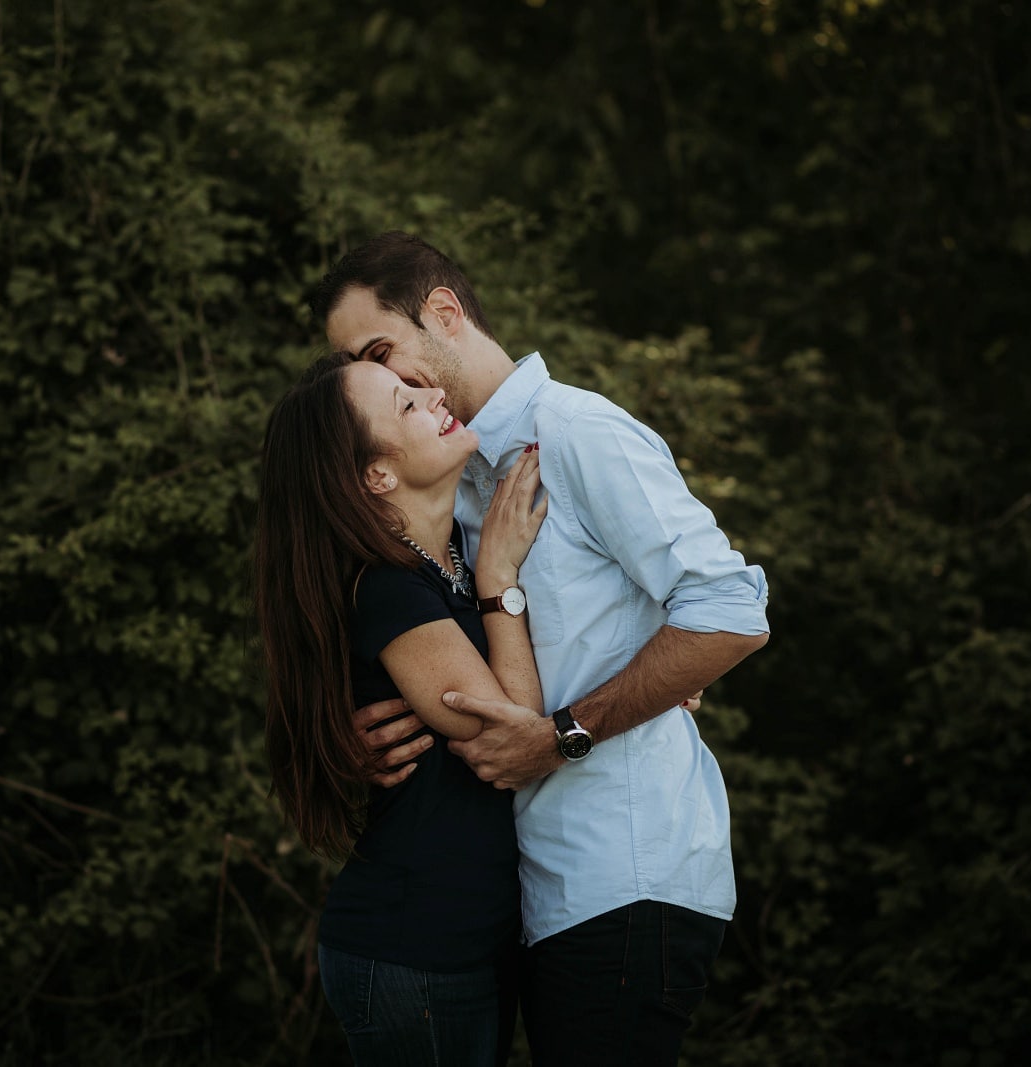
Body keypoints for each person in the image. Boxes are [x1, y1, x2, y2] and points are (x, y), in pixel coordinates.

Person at [314, 232, 771, 1065]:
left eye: (382, 353)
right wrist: (341, 735)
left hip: (622, 872)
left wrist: (570, 727)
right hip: (529, 896)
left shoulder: (577, 433)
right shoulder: (450, 485)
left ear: (444, 314)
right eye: (362, 369)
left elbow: (730, 610)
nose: (384, 383)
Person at [254, 350, 550, 1066]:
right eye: (406, 403)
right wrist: (499, 580)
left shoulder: (440, 561)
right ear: (376, 475)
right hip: (415, 951)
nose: (434, 391)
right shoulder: (389, 587)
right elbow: (513, 738)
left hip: (466, 943)